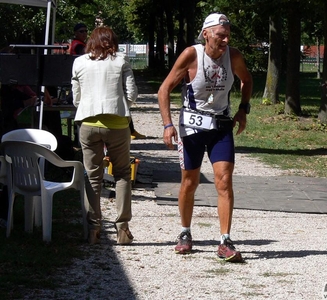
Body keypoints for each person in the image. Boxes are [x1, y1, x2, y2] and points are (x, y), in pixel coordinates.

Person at [157, 13, 253, 262]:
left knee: (224, 181)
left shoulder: (234, 56)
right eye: (221, 34)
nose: (225, 39)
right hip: (192, 127)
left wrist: (243, 109)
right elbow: (164, 89)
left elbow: (247, 80)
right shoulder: (191, 55)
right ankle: (185, 232)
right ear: (206, 33)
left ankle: (225, 240)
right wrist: (168, 124)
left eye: (228, 34)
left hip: (221, 126)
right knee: (190, 182)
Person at [72, 26, 138, 244]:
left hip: (88, 124)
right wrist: (120, 107)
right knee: (121, 174)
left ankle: (93, 228)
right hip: (117, 125)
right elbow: (132, 94)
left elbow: (76, 98)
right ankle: (122, 228)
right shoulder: (121, 61)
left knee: (92, 176)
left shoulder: (79, 62)